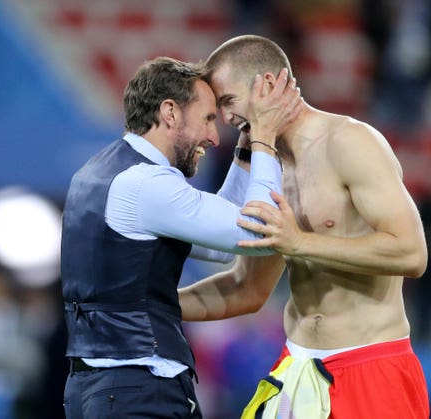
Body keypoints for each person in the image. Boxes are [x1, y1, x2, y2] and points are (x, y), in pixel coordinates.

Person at [178, 35, 430, 418]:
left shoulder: (349, 142)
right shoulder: (266, 166)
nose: (225, 120)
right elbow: (248, 289)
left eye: (228, 102)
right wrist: (152, 303)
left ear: (265, 85)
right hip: (296, 367)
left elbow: (412, 253)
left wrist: (300, 243)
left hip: (370, 365)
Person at [59, 56, 303, 419]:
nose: (214, 136)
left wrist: (248, 147)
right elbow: (256, 228)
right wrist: (267, 136)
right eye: (207, 118)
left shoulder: (101, 173)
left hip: (102, 389)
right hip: (140, 389)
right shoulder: (147, 185)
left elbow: (219, 245)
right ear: (170, 112)